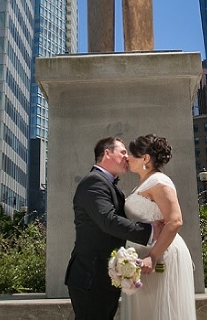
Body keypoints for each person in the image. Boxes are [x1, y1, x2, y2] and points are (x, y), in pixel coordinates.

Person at [66, 136, 161, 320]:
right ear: (107, 153)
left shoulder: (107, 184)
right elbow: (108, 221)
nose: (127, 157)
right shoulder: (93, 182)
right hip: (91, 277)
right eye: (123, 152)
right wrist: (149, 231)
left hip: (103, 277)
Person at [122, 134, 196, 320]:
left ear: (145, 158)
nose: (127, 158)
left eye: (132, 154)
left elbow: (175, 220)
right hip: (143, 257)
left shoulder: (159, 182)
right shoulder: (146, 182)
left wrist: (153, 257)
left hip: (160, 256)